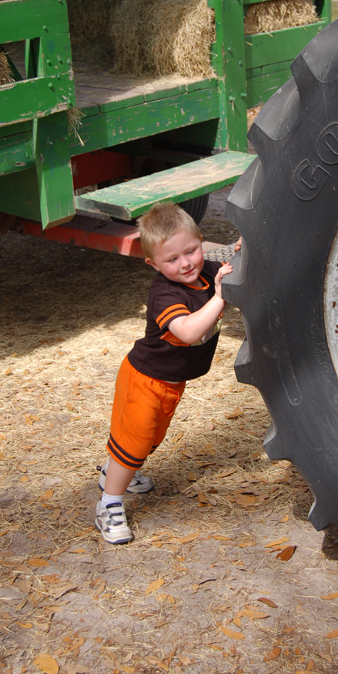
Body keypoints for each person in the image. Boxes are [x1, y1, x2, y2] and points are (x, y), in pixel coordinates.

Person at [95, 202, 233, 544]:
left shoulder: (204, 271)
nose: (185, 263)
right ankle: (109, 502)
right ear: (153, 264)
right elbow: (187, 332)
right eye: (172, 259)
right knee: (136, 439)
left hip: (173, 383)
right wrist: (220, 296)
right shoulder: (164, 292)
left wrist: (242, 247)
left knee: (149, 441)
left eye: (191, 250)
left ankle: (117, 470)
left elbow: (229, 258)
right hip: (144, 379)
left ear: (201, 241)